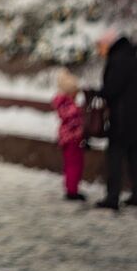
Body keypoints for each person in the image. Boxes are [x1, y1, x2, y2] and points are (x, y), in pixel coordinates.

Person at [95, 27, 137, 210]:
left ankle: (112, 197)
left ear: (109, 44)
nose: (99, 50)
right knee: (135, 155)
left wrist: (99, 93)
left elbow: (113, 89)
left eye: (101, 46)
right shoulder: (133, 57)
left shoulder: (117, 60)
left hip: (122, 119)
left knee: (114, 156)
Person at [52, 68, 87, 201]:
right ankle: (72, 191)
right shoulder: (68, 106)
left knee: (72, 164)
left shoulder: (65, 104)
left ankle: (71, 188)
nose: (76, 95)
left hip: (68, 138)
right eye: (75, 92)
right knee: (74, 165)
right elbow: (73, 119)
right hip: (72, 139)